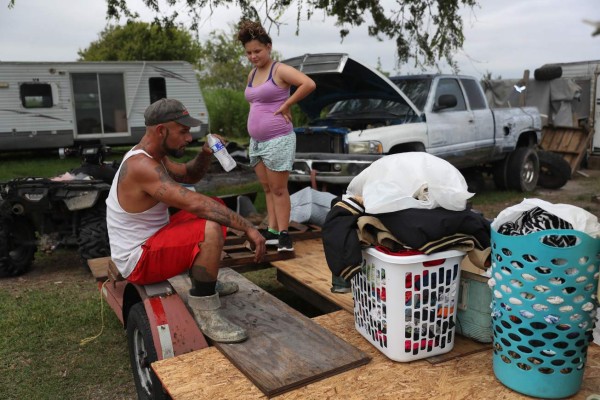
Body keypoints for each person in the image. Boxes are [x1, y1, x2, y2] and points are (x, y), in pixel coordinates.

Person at [106, 98, 266, 343]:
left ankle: (206, 280)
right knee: (209, 225)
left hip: (151, 241)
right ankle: (207, 313)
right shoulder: (141, 165)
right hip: (138, 261)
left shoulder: (155, 156)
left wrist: (205, 154)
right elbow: (195, 203)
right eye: (183, 131)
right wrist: (249, 227)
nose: (189, 138)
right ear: (161, 131)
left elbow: (189, 174)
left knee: (217, 206)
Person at [237, 20, 316, 252]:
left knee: (280, 189)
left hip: (278, 138)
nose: (253, 56)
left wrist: (288, 103)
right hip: (257, 142)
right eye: (249, 52)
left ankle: (284, 235)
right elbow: (256, 102)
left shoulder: (278, 69)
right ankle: (271, 231)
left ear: (269, 47)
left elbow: (308, 84)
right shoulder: (252, 74)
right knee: (268, 189)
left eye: (257, 51)